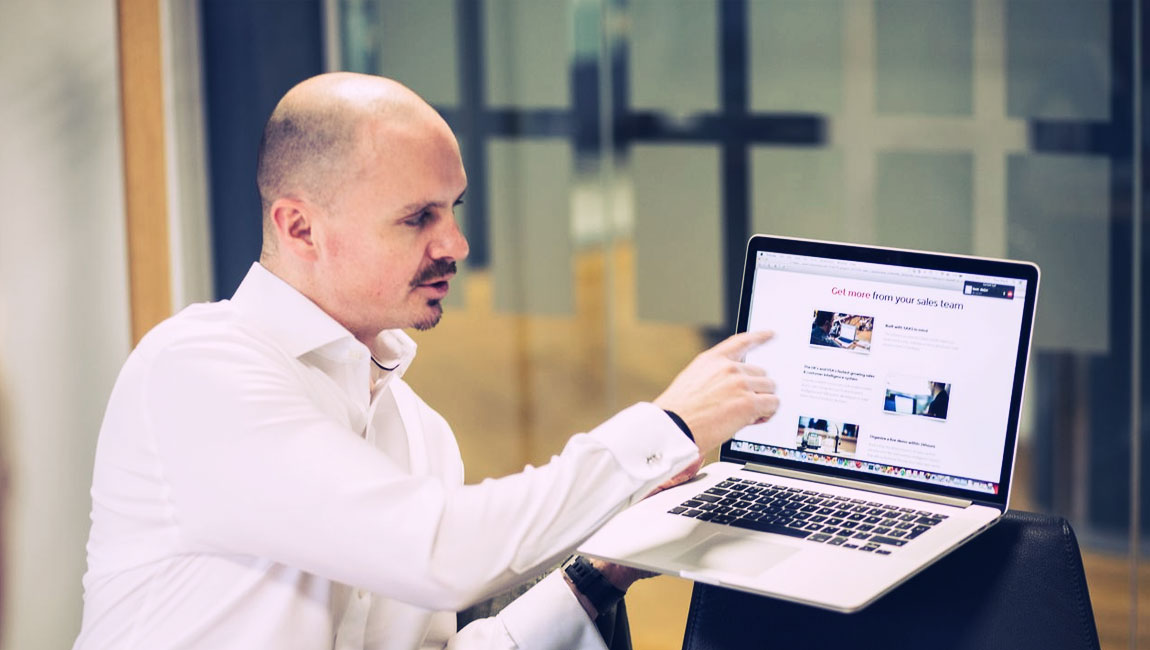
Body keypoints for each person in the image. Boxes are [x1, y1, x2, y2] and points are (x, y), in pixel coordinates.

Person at [73, 72, 779, 650]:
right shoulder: (197, 370)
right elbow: (436, 554)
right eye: (419, 218)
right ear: (300, 227)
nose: (457, 245)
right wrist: (666, 427)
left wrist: (602, 570)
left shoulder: (416, 430)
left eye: (453, 209)